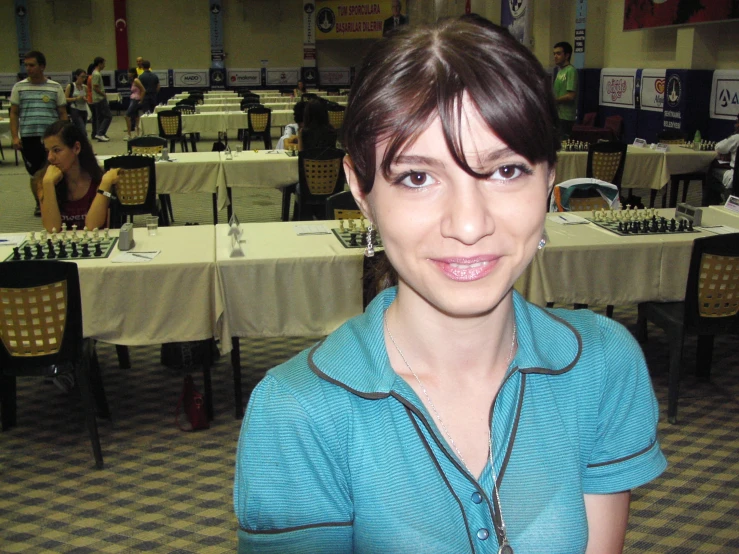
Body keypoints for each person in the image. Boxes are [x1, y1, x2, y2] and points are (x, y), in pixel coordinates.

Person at [234, 16, 667, 553]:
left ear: (550, 178)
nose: (468, 224)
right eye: (417, 177)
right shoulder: (298, 410)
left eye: (507, 170)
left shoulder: (603, 364)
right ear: (361, 190)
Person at [9, 50, 68, 217]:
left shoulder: (55, 87)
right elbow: (14, 113)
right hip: (29, 137)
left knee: (54, 170)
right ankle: (39, 203)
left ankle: (57, 201)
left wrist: (65, 134)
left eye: (32, 65)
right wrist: (15, 136)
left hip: (52, 138)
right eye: (26, 65)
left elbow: (62, 113)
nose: (28, 68)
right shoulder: (19, 87)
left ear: (42, 66)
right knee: (35, 174)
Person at [36, 121, 120, 232]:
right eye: (48, 151)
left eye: (56, 150)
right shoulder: (45, 180)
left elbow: (92, 226)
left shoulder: (100, 180)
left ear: (76, 148)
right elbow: (52, 229)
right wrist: (48, 184)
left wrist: (104, 186)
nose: (50, 158)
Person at [703, 113, 739, 205]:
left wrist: (728, 153)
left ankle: (710, 204)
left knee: (711, 171)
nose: (735, 125)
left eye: (737, 122)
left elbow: (719, 147)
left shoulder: (736, 138)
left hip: (735, 177)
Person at [553, 41, 578, 140]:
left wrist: (554, 101)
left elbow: (571, 95)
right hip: (558, 115)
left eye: (558, 54)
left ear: (567, 55)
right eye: (554, 54)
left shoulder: (571, 71)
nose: (555, 56)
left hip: (566, 117)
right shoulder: (560, 72)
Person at [90, 56, 112, 142]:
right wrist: (103, 94)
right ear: (99, 64)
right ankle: (100, 133)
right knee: (108, 116)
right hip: (99, 98)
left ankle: (100, 133)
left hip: (97, 99)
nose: (104, 65)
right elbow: (95, 87)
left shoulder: (95, 73)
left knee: (101, 117)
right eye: (104, 63)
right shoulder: (96, 74)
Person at [66, 69, 88, 136]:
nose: (83, 79)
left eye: (85, 77)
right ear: (77, 76)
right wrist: (75, 98)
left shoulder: (84, 87)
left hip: (84, 109)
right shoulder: (71, 86)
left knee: (81, 129)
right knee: (82, 130)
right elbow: (65, 99)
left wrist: (85, 99)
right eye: (82, 77)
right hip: (75, 109)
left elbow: (85, 97)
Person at [125, 67, 145, 140]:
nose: (128, 74)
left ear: (133, 73)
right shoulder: (133, 81)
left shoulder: (136, 80)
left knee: (127, 116)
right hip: (133, 99)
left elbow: (143, 90)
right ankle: (137, 133)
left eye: (129, 72)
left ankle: (129, 134)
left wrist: (141, 100)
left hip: (136, 100)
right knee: (136, 117)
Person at [86, 62, 97, 138]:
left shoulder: (88, 77)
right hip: (92, 99)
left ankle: (95, 132)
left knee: (95, 117)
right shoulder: (92, 77)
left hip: (90, 98)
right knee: (96, 117)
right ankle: (95, 132)